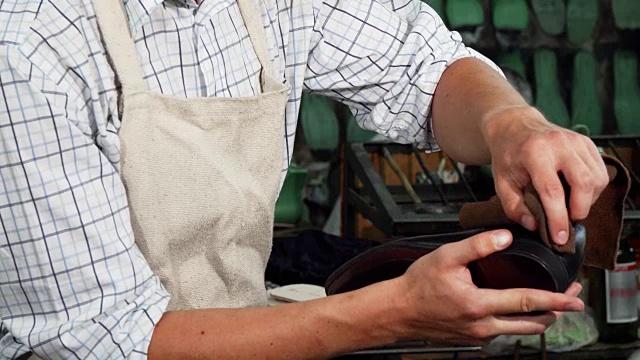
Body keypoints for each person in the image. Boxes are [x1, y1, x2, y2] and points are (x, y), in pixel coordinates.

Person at [0, 0, 608, 358]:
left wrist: (509, 123)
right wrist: (393, 311)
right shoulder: (28, 45)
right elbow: (109, 344)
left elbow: (421, 63)